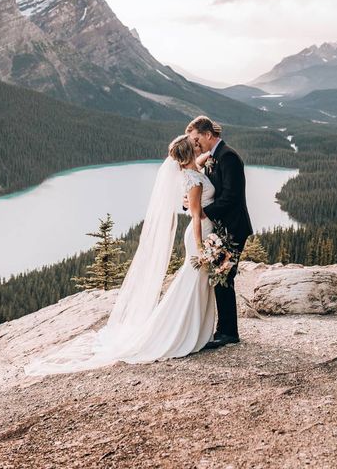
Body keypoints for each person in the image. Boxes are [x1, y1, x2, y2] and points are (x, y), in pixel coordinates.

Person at [24, 135, 216, 375]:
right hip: (200, 234)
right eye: (195, 144)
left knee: (195, 282)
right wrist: (201, 247)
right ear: (189, 154)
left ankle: (191, 330)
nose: (199, 145)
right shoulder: (194, 180)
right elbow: (197, 215)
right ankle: (181, 332)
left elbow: (197, 165)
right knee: (193, 281)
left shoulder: (189, 172)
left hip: (204, 233)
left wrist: (210, 155)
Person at [186, 116, 253, 348]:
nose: (196, 144)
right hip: (221, 227)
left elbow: (231, 197)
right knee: (220, 277)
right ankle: (224, 330)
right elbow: (208, 188)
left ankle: (229, 333)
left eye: (197, 139)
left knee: (225, 276)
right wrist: (192, 202)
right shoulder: (214, 156)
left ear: (208, 135)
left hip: (234, 227)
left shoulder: (228, 156)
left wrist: (204, 213)